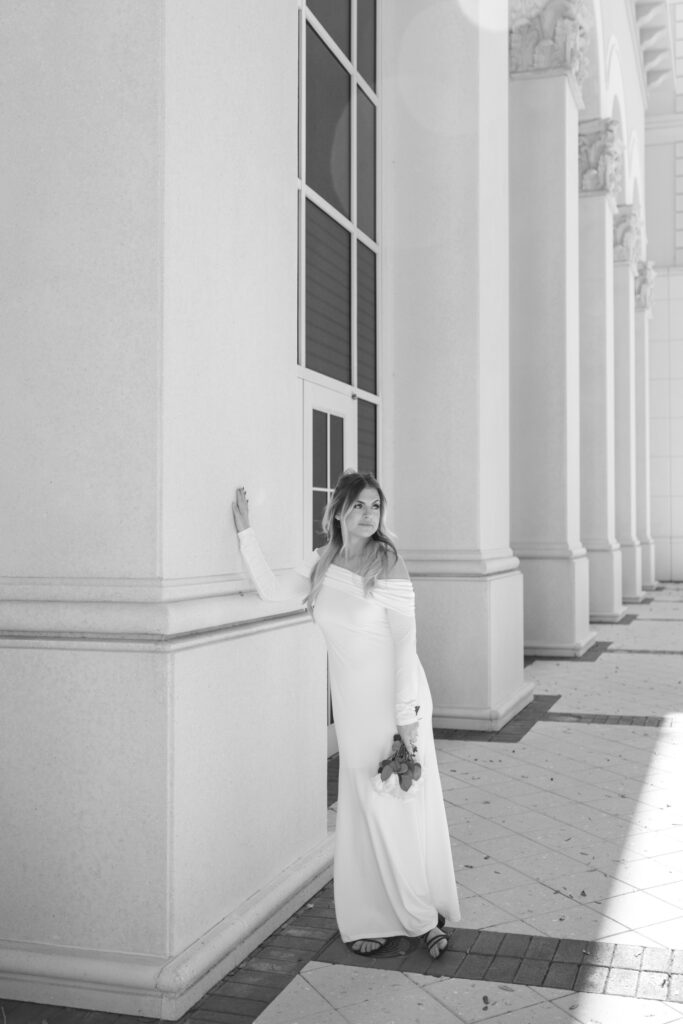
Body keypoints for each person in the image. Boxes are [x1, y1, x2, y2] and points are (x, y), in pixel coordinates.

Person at [232, 471, 460, 958]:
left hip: (394, 703)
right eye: (358, 505)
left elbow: (405, 644)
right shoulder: (324, 561)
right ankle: (369, 915)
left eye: (375, 506)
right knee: (361, 809)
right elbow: (273, 590)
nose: (368, 514)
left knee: (393, 806)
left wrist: (405, 718)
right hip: (353, 708)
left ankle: (422, 919)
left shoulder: (388, 561)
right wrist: (245, 533)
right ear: (338, 510)